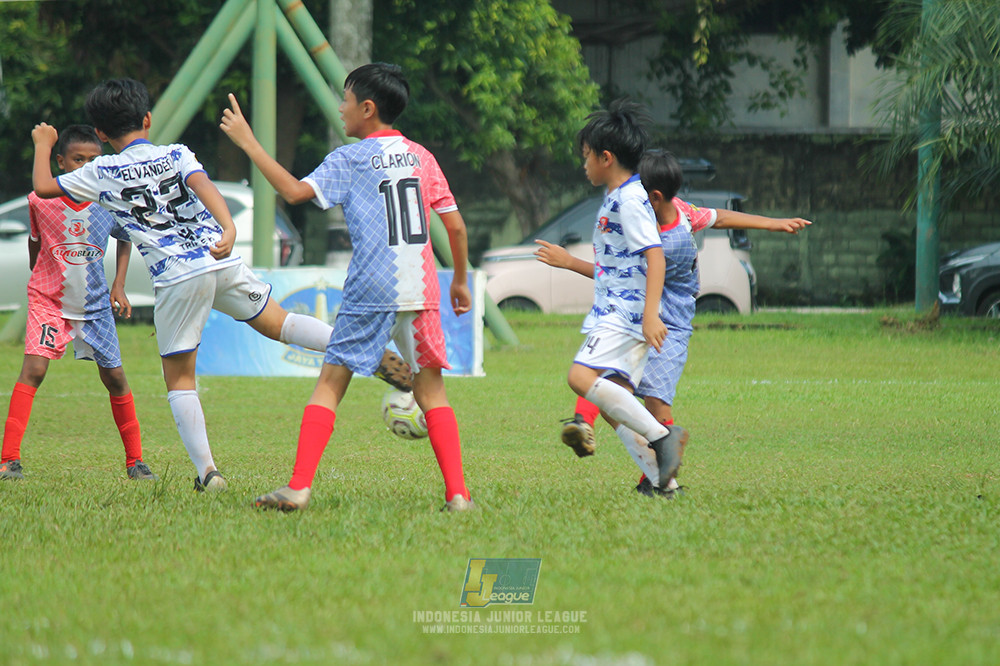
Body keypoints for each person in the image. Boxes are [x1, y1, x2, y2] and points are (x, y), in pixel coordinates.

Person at [30, 78, 338, 492]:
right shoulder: (176, 153)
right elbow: (203, 186)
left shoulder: (100, 171)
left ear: (101, 135)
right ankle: (355, 347)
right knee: (280, 323)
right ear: (147, 119)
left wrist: (44, 144)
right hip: (218, 257)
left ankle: (208, 473)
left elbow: (44, 188)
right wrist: (227, 227)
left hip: (176, 276)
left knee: (179, 380)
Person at [220, 62, 474, 512]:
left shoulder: (350, 159)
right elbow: (453, 226)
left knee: (331, 383)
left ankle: (298, 487)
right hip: (422, 286)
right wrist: (457, 279)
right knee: (431, 390)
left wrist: (248, 143)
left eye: (347, 100)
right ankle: (458, 496)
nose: (341, 108)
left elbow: (296, 193)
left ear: (368, 108)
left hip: (373, 286)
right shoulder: (421, 156)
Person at [537, 149, 811, 496]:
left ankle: (655, 474)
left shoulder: (658, 241)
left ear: (652, 197)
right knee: (611, 387)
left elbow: (618, 274)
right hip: (645, 316)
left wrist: (569, 262)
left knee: (651, 403)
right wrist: (773, 222)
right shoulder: (681, 212)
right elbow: (721, 218)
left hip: (667, 324)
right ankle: (627, 454)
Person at [0, 125, 157, 482]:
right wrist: (38, 272)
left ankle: (136, 461)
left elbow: (124, 238)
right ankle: (8, 460)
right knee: (34, 370)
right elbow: (34, 241)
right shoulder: (41, 198)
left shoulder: (107, 200)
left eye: (93, 159)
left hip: (94, 304)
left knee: (115, 377)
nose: (86, 165)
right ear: (61, 162)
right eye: (78, 159)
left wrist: (119, 284)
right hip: (49, 299)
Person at [556, 100, 687, 491]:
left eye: (587, 157)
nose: (584, 166)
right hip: (617, 311)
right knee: (616, 406)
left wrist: (650, 315)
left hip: (626, 313)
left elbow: (655, 256)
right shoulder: (621, 195)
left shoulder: (629, 200)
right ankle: (663, 483)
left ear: (606, 158)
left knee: (580, 377)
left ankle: (665, 438)